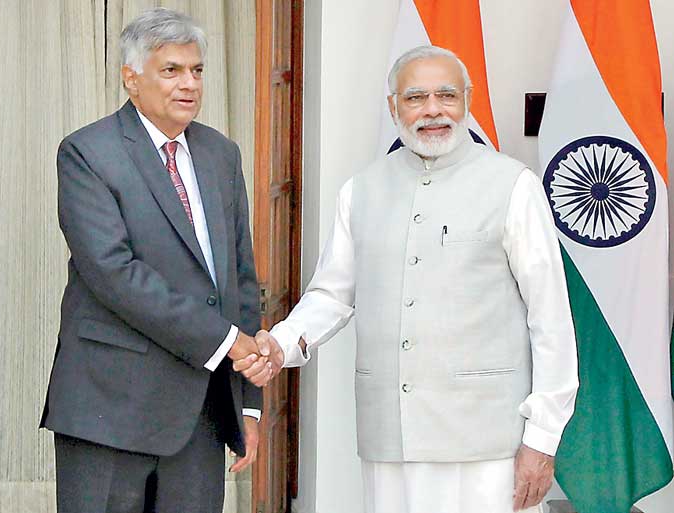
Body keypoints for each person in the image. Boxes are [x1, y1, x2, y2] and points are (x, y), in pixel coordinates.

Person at [238, 46, 579, 513]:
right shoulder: (361, 190)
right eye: (416, 97)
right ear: (393, 106)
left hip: (488, 444)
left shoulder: (514, 185)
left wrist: (543, 438)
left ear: (467, 100)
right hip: (391, 440)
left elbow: (552, 321)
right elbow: (332, 294)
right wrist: (280, 344)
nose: (433, 110)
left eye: (446, 95)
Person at [40, 8, 277, 513]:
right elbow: (114, 273)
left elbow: (238, 278)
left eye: (197, 71)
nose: (188, 84)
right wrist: (228, 342)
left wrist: (248, 402)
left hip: (202, 414)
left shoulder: (221, 154)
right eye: (171, 70)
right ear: (132, 79)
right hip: (110, 409)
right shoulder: (87, 153)